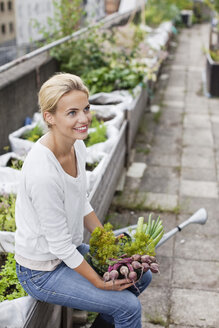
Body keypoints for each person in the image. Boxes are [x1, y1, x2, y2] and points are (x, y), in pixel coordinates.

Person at [15, 73, 152, 328]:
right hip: (42, 271)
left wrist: (106, 242)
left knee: (139, 276)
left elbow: (81, 202)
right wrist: (100, 283)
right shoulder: (43, 172)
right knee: (128, 307)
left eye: (86, 109)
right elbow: (59, 246)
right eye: (72, 113)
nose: (84, 119)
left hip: (69, 252)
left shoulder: (76, 145)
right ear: (49, 117)